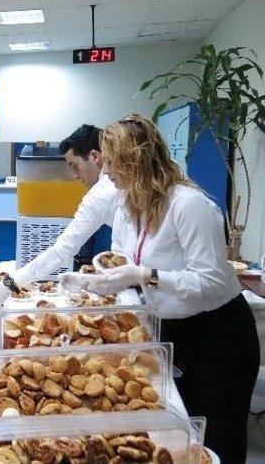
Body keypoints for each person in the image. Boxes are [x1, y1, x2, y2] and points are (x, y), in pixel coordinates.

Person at [61, 114, 259, 463]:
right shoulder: (127, 203)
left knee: (216, 440)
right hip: (169, 331)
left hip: (216, 336)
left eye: (111, 161)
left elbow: (211, 280)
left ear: (135, 159)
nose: (105, 171)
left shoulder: (189, 205)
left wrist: (147, 275)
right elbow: (124, 262)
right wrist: (95, 281)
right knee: (176, 436)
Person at [0, 124, 119, 312]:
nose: (74, 175)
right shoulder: (109, 188)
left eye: (75, 166)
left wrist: (9, 284)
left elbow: (62, 250)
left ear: (95, 157)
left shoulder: (102, 193)